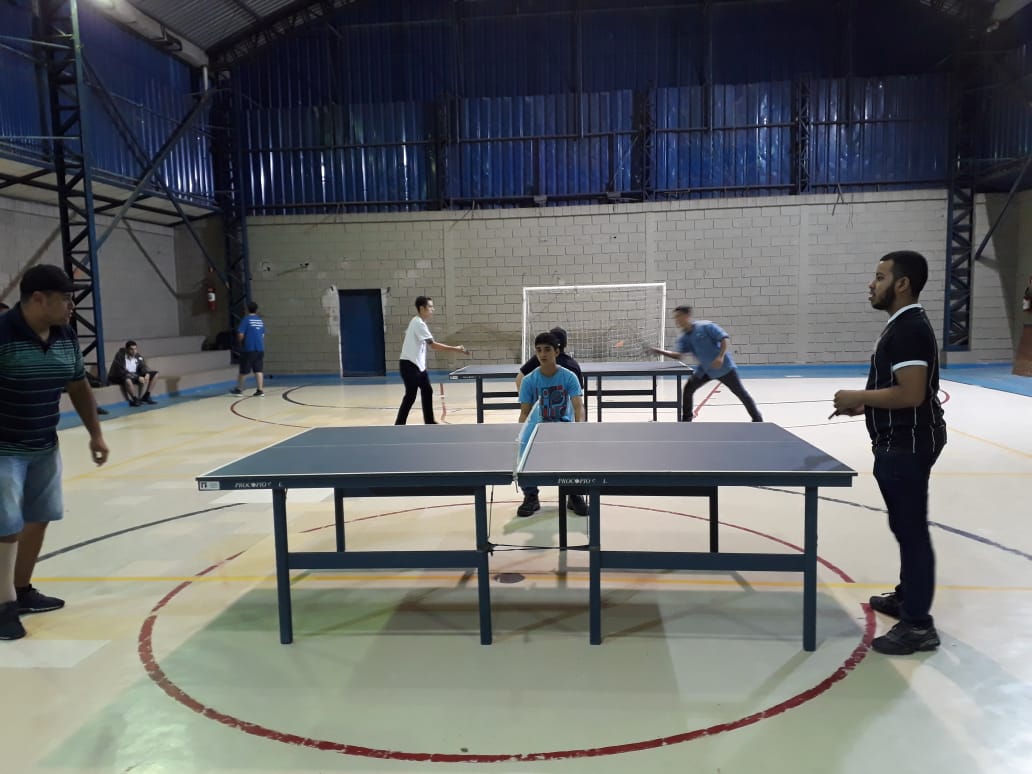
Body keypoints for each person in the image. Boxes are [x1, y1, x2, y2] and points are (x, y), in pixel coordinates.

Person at [831, 250, 947, 656]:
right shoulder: (903, 326)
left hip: (906, 444)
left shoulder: (908, 329)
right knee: (904, 526)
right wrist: (867, 406)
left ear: (902, 284)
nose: (871, 284)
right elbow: (902, 389)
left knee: (911, 532)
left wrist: (858, 395)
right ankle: (907, 597)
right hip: (901, 439)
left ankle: (918, 625)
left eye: (879, 277)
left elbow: (912, 393)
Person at [0, 264, 109, 640]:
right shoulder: (3, 335)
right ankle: (2, 606)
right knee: (6, 526)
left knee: (39, 516)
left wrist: (95, 435)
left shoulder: (65, 337)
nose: (71, 306)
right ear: (38, 299)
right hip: (4, 448)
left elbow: (78, 386)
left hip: (44, 444)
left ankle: (21, 590)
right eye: (65, 299)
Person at [516, 326, 588, 516]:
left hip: (563, 428)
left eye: (547, 349)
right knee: (523, 454)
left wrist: (579, 427)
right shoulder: (529, 381)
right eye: (539, 350)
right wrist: (521, 434)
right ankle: (531, 496)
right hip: (538, 429)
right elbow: (524, 412)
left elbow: (578, 406)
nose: (542, 354)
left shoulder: (569, 377)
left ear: (557, 351)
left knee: (575, 455)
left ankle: (574, 494)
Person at [650, 305, 763, 422]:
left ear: (687, 316)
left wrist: (720, 357)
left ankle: (757, 419)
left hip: (724, 367)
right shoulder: (684, 338)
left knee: (741, 393)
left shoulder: (706, 326)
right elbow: (678, 355)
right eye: (675, 317)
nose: (676, 320)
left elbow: (724, 339)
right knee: (688, 390)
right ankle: (686, 420)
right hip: (705, 370)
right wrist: (659, 351)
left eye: (679, 316)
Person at [394, 296, 468, 425]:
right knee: (411, 395)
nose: (433, 309)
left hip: (418, 366)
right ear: (422, 308)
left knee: (427, 391)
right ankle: (399, 424)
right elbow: (433, 345)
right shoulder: (418, 323)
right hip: (409, 365)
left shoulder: (417, 322)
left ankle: (429, 421)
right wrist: (455, 349)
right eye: (430, 306)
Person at [107, 340, 159, 406]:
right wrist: (137, 377)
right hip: (121, 376)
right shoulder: (120, 356)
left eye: (135, 349)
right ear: (126, 349)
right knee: (127, 379)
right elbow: (122, 371)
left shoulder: (137, 356)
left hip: (134, 375)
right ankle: (135, 399)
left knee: (155, 374)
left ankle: (147, 396)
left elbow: (143, 366)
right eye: (131, 349)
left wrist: (147, 373)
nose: (134, 351)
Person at [230, 301, 265, 397]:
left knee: (243, 370)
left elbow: (240, 334)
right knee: (258, 370)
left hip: (249, 348)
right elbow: (262, 335)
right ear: (256, 310)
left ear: (247, 309)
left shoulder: (246, 320)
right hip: (260, 349)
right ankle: (260, 390)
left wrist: (240, 342)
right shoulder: (260, 321)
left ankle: (239, 389)